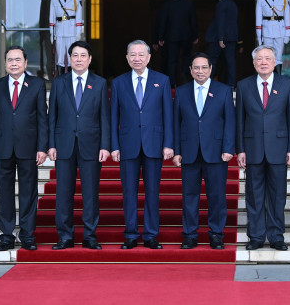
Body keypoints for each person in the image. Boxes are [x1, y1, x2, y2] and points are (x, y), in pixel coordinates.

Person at [110, 40, 173, 249]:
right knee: (129, 192)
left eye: (141, 55)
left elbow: (168, 115)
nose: (137, 58)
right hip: (127, 144)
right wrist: (114, 145)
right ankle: (130, 234)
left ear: (148, 57)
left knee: (152, 192)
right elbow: (113, 117)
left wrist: (168, 144)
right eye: (132, 55)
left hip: (154, 143)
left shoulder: (161, 80)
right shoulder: (118, 82)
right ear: (127, 58)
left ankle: (150, 234)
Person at [47, 41, 110, 250]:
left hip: (91, 145)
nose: (79, 59)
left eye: (83, 56)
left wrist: (105, 145)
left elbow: (104, 118)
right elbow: (52, 116)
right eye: (75, 55)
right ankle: (65, 236)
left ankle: (90, 235)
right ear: (69, 59)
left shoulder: (99, 83)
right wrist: (51, 144)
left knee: (90, 193)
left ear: (90, 59)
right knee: (64, 193)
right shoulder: (59, 82)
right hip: (64, 144)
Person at [0, 46, 48, 251]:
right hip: (2, 147)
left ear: (25, 63)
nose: (13, 63)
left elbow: (42, 118)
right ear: (5, 64)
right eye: (10, 60)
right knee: (4, 193)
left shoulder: (37, 85)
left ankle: (28, 234)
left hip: (29, 148)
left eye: (17, 60)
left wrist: (42, 147)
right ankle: (7, 235)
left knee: (28, 192)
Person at [235, 45, 290, 251]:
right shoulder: (243, 86)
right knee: (253, 195)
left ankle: (276, 235)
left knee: (278, 195)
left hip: (279, 149)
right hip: (252, 148)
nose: (263, 62)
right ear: (253, 63)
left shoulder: (287, 85)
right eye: (259, 59)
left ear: (275, 62)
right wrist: (240, 149)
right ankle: (255, 236)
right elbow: (240, 120)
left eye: (267, 58)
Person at [173, 53, 235, 250]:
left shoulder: (223, 91)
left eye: (204, 68)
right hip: (189, 151)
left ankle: (216, 234)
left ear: (210, 69)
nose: (200, 71)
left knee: (216, 196)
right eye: (196, 68)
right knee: (189, 196)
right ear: (190, 70)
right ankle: (190, 234)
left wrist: (228, 148)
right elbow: (176, 123)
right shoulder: (181, 92)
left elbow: (230, 122)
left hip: (216, 152)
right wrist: (177, 150)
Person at [156, 0, 198, 87]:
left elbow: (163, 22)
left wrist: (160, 37)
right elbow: (193, 21)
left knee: (172, 60)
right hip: (186, 36)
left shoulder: (167, 4)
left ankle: (173, 83)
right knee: (186, 57)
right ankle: (184, 76)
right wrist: (195, 36)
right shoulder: (188, 4)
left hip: (171, 36)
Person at [255, 0, 290, 74]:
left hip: (280, 30)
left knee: (278, 56)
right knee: (268, 56)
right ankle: (269, 77)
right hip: (267, 30)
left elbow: (287, 17)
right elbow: (258, 18)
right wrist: (259, 36)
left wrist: (287, 34)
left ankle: (278, 77)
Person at [49, 0, 83, 75]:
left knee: (71, 56)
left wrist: (78, 33)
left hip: (71, 30)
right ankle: (60, 79)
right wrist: (52, 33)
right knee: (59, 58)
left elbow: (79, 16)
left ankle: (70, 78)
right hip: (59, 30)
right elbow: (52, 16)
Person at [206, 0, 239, 87]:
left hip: (220, 38)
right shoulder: (233, 4)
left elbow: (220, 22)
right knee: (230, 62)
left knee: (212, 60)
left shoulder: (221, 4)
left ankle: (208, 83)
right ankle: (232, 84)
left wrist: (221, 38)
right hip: (232, 37)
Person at [39, 0, 59, 80]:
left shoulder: (63, 1)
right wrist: (41, 36)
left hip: (61, 33)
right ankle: (51, 79)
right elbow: (42, 20)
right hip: (47, 34)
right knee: (49, 58)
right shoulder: (45, 2)